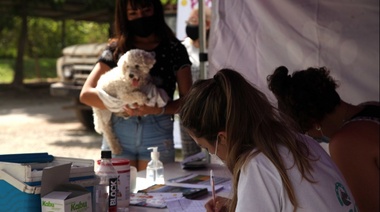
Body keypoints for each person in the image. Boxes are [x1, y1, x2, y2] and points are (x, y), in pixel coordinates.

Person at [179, 68, 358, 212]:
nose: (213, 154)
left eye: (207, 148)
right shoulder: (300, 141)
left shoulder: (258, 165)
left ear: (222, 138)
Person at [80, 0, 192, 171]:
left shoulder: (175, 49)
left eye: (146, 10)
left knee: (158, 194)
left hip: (158, 131)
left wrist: (159, 109)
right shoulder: (116, 49)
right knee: (117, 194)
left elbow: (189, 101)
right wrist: (122, 105)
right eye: (133, 13)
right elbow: (86, 95)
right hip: (119, 130)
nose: (141, 17)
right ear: (124, 16)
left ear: (156, 10)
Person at [267, 66, 379, 212]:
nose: (312, 138)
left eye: (306, 132)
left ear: (314, 123)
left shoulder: (344, 144)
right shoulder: (371, 107)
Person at [179, 7, 212, 159]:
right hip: (188, 111)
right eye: (188, 22)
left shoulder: (215, 49)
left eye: (193, 21)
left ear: (207, 24)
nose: (190, 25)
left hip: (210, 110)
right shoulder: (183, 48)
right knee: (191, 158)